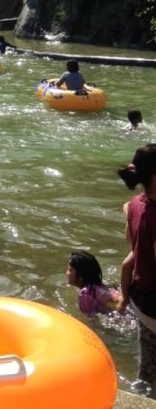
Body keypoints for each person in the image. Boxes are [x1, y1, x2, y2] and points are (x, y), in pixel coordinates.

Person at [118, 145, 156, 394]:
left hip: (140, 298)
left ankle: (142, 395)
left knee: (148, 365)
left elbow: (131, 246)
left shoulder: (134, 204)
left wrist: (123, 298)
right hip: (154, 301)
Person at [66, 250, 121, 316]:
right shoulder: (98, 286)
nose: (67, 273)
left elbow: (90, 319)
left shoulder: (85, 294)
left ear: (81, 276)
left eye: (70, 270)